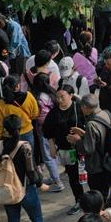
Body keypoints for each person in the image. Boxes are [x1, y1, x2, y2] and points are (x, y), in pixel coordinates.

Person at [0, 115, 44, 222]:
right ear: (20, 128)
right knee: (37, 218)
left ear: (5, 129)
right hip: (26, 188)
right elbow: (31, 171)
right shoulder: (25, 146)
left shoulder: (0, 145)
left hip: (8, 189)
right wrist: (40, 183)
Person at [42, 85, 85, 213]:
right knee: (73, 176)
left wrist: (81, 135)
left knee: (89, 175)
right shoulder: (54, 113)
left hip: (83, 148)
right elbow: (48, 131)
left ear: (71, 95)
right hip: (66, 150)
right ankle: (79, 200)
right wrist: (52, 147)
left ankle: (95, 200)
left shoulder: (79, 108)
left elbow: (89, 125)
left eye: (62, 97)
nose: (59, 100)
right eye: (57, 97)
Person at [66, 94, 111, 199]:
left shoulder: (91, 124)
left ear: (85, 107)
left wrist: (77, 141)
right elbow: (100, 137)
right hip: (107, 160)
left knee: (98, 193)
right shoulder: (105, 113)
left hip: (97, 165)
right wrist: (84, 133)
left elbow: (88, 149)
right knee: (105, 190)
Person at [28, 72, 64, 191]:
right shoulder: (52, 93)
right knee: (52, 153)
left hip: (44, 129)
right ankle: (54, 178)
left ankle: (58, 182)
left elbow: (38, 115)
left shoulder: (38, 98)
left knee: (47, 156)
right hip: (55, 127)